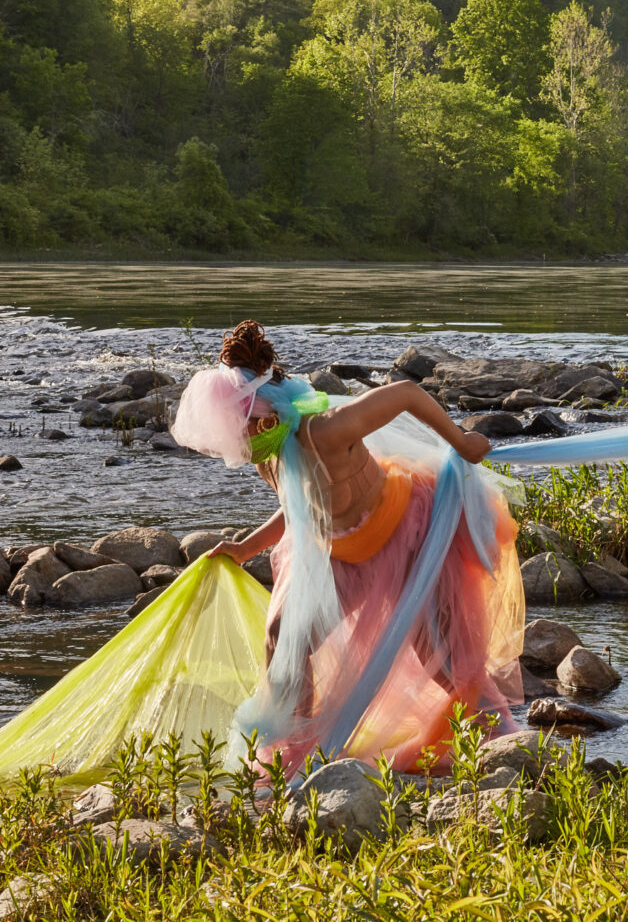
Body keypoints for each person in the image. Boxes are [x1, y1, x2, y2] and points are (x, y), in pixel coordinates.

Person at [171, 320, 524, 773]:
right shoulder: (271, 455)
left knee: (436, 649)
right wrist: (244, 548)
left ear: (266, 415)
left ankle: (503, 741)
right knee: (284, 636)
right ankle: (293, 751)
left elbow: (405, 394)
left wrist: (462, 440)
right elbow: (303, 508)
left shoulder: (329, 430)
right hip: (340, 550)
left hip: (403, 534)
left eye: (243, 432)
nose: (240, 446)